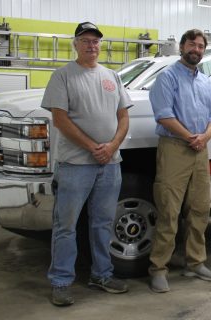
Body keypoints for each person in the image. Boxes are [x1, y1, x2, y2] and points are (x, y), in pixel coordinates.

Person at [43, 22, 131, 306]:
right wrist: (93, 147)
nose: (91, 45)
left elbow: (123, 117)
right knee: (65, 226)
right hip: (75, 165)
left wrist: (112, 146)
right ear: (75, 44)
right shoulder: (63, 76)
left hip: (110, 164)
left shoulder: (111, 76)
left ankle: (101, 274)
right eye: (85, 40)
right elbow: (60, 120)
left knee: (103, 223)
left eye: (95, 41)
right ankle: (60, 281)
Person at [148, 29, 211, 293]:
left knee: (200, 210)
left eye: (201, 46)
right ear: (181, 47)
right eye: (192, 44)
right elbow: (164, 116)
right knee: (169, 211)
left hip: (200, 150)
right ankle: (158, 269)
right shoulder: (167, 78)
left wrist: (204, 138)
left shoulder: (206, 82)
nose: (197, 49)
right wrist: (192, 137)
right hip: (175, 149)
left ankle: (195, 263)